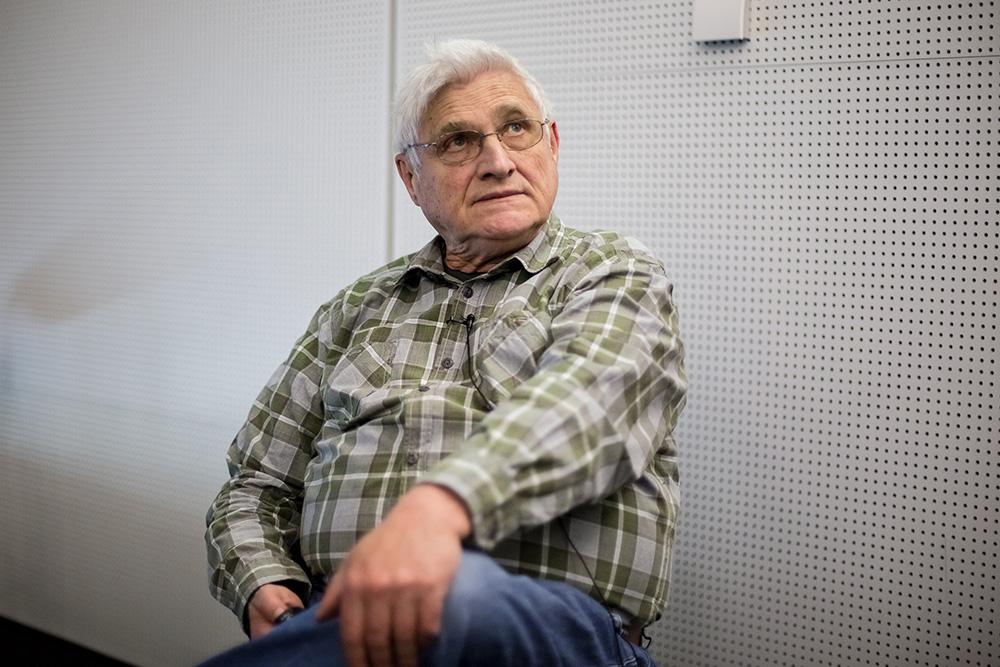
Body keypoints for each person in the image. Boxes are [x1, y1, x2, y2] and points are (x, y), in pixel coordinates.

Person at [203, 38, 686, 667]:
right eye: (458, 141)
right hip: (343, 623)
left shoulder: (612, 271)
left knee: (461, 593)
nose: (497, 161)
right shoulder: (356, 308)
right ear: (410, 178)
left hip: (543, 626)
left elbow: (590, 408)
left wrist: (438, 511)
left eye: (517, 128)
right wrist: (262, 582)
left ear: (552, 144)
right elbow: (257, 482)